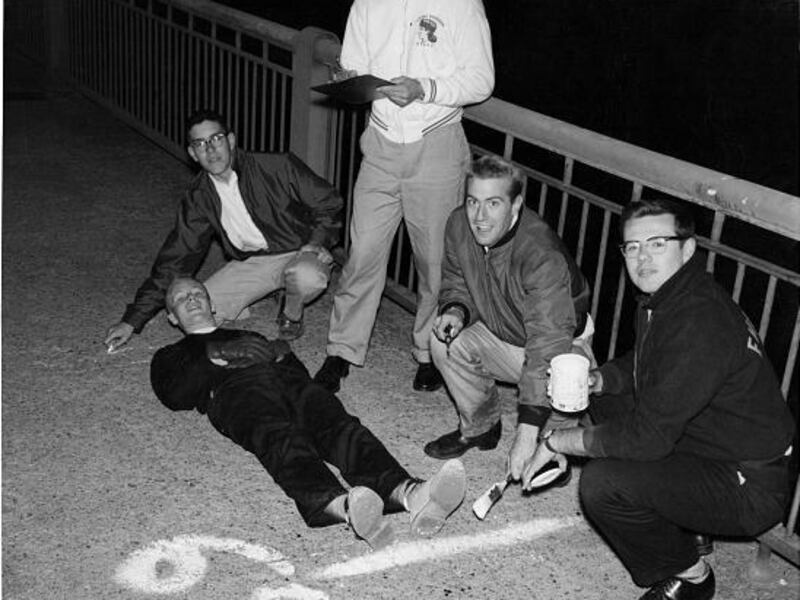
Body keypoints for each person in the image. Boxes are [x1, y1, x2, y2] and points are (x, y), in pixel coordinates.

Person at [521, 198, 796, 600]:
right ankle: (688, 524)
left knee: (604, 484)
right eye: (632, 246)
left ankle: (692, 576)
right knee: (604, 401)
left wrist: (556, 442)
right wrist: (599, 380)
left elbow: (646, 438)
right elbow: (645, 362)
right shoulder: (671, 297)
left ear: (688, 248)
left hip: (750, 484)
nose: (642, 258)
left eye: (657, 244)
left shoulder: (699, 322)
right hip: (711, 444)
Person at [150, 277, 468, 549]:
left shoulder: (250, 336)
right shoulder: (172, 354)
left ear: (211, 304)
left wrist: (283, 357)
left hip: (289, 384)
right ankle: (345, 507)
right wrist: (213, 354)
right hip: (236, 393)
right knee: (280, 438)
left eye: (197, 293)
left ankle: (411, 494)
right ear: (173, 318)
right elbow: (174, 395)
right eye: (181, 298)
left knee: (340, 426)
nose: (191, 299)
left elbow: (298, 373)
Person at [313, 0, 495, 394]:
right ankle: (342, 348)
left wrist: (424, 88)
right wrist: (348, 78)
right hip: (380, 141)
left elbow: (481, 80)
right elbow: (355, 64)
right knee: (362, 252)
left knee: (434, 260)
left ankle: (430, 350)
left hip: (436, 141)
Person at [104, 109, 343, 350]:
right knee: (197, 311)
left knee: (306, 276)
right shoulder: (199, 196)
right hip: (254, 263)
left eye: (216, 139)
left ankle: (291, 313)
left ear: (230, 140)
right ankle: (270, 291)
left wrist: (317, 241)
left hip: (300, 251)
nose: (210, 150)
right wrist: (131, 321)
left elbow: (329, 202)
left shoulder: (276, 166)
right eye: (200, 144)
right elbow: (176, 259)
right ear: (192, 153)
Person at [423, 156, 593, 485]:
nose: (479, 217)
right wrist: (456, 311)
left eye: (493, 203)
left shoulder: (541, 253)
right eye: (473, 202)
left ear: (515, 205)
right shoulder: (458, 225)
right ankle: (481, 427)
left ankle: (553, 448)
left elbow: (547, 346)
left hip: (559, 346)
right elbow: (457, 280)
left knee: (564, 376)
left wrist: (526, 434)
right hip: (505, 332)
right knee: (443, 340)